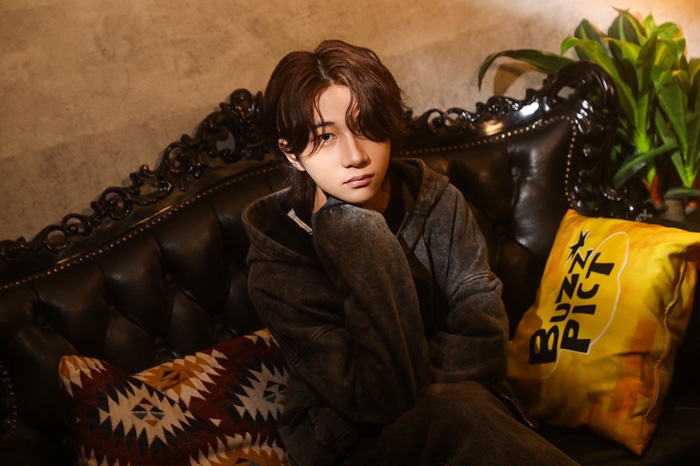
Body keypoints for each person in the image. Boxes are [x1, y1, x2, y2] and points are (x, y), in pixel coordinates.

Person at [242, 39, 578, 466]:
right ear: (291, 152)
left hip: (467, 412)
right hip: (353, 441)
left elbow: (485, 342)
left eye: (366, 127)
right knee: (456, 412)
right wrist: (358, 232)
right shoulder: (277, 262)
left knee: (457, 411)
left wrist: (436, 388)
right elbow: (377, 398)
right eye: (326, 136)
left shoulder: (436, 201)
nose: (355, 156)